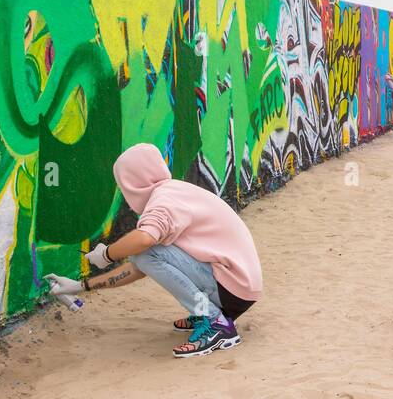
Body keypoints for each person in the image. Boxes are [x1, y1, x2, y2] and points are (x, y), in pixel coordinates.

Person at [43, 143, 264, 356]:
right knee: (147, 256)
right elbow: (140, 267)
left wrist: (106, 254)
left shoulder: (164, 200)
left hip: (233, 288)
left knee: (147, 252)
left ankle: (215, 322)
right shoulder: (175, 191)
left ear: (131, 182)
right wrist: (81, 286)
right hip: (237, 288)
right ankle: (208, 312)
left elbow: (145, 242)